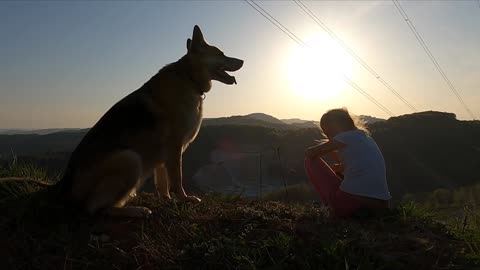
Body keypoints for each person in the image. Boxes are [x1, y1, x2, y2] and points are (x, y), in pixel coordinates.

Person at [304, 108, 391, 217]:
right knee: (342, 175)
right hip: (381, 205)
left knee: (310, 161)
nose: (328, 136)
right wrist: (338, 168)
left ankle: (330, 207)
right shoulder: (365, 138)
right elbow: (357, 165)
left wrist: (324, 150)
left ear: (342, 124)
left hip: (350, 202)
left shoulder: (345, 137)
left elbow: (311, 153)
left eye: (328, 131)